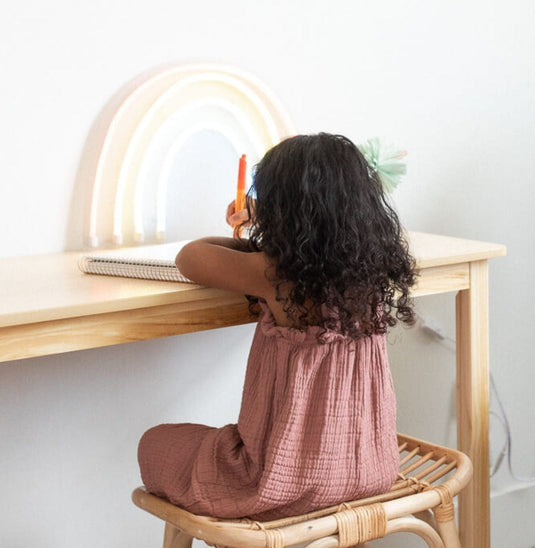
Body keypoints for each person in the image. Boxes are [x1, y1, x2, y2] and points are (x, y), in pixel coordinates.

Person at [137, 133, 417, 520]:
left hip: (280, 483)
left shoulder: (275, 273)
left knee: (155, 442)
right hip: (370, 469)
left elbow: (191, 257)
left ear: (283, 211)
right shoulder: (370, 270)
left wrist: (264, 227)